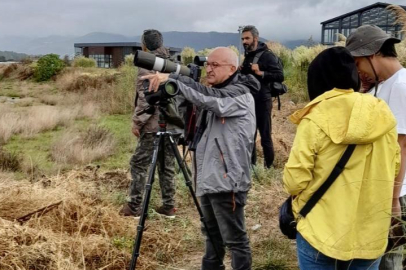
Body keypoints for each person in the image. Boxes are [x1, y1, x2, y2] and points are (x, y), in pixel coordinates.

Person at [283, 47, 400, 270]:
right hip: (371, 232)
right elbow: (394, 167)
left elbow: (294, 181)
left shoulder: (315, 117)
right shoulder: (383, 114)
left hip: (320, 230)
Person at [142, 47, 259, 270]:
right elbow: (191, 125)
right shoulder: (214, 91)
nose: (210, 69)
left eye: (216, 65)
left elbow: (211, 99)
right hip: (207, 177)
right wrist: (173, 93)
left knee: (235, 239)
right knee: (211, 237)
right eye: (208, 64)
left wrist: (175, 79)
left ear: (232, 68)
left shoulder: (239, 94)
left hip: (227, 180)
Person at [346, 25, 406, 270]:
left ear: (372, 55)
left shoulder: (401, 86)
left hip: (396, 192)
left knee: (388, 260)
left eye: (358, 63)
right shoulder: (382, 85)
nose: (357, 71)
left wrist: (392, 199)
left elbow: (401, 146)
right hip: (381, 187)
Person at [119, 29, 180, 218]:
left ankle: (134, 206)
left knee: (139, 163)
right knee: (167, 165)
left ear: (144, 44)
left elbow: (146, 100)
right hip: (173, 123)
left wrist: (137, 123)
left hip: (153, 126)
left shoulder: (147, 64)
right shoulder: (173, 62)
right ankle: (169, 206)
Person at [240, 25, 284, 168]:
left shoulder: (267, 55)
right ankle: (251, 166)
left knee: (265, 135)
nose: (244, 41)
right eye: (242, 39)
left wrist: (261, 73)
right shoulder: (247, 56)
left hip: (263, 101)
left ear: (255, 39)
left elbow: (280, 76)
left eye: (247, 38)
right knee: (249, 135)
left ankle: (268, 167)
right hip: (248, 101)